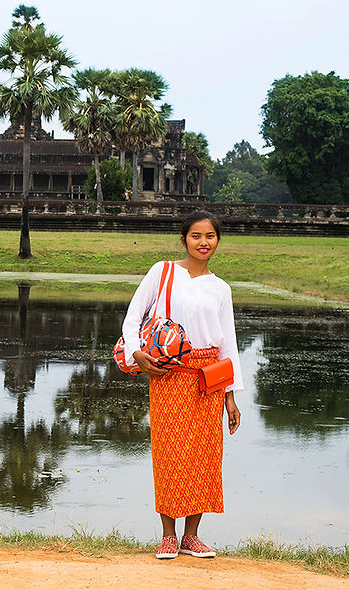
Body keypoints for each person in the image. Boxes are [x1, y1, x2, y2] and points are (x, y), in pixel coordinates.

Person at [120, 210, 243, 560]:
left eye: (210, 236)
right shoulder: (163, 272)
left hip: (209, 380)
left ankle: (192, 536)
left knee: (204, 456)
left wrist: (230, 397)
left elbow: (228, 345)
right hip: (169, 374)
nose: (203, 243)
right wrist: (137, 353)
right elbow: (133, 317)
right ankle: (168, 535)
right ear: (184, 238)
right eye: (196, 236)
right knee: (171, 454)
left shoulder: (221, 288)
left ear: (217, 240)